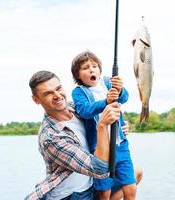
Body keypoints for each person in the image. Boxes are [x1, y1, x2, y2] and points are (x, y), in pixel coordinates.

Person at [26, 70, 142, 200]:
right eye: (48, 93)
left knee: (136, 173)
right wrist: (103, 126)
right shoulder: (50, 137)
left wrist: (118, 127)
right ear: (36, 100)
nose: (57, 95)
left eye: (58, 88)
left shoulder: (75, 108)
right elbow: (99, 169)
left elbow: (98, 111)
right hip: (72, 195)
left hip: (91, 183)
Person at [71, 51, 136, 200]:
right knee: (104, 192)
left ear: (100, 69)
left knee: (130, 187)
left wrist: (120, 89)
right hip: (100, 149)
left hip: (120, 145)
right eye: (86, 68)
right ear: (78, 75)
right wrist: (105, 102)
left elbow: (124, 98)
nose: (92, 69)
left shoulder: (107, 82)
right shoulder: (79, 92)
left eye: (94, 66)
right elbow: (85, 110)